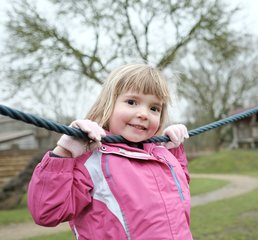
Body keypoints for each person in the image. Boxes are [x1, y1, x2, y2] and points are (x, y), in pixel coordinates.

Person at [27, 63, 192, 240]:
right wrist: (64, 153)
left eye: (154, 108)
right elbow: (47, 212)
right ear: (108, 104)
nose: (144, 114)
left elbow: (180, 187)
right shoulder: (93, 158)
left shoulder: (162, 154)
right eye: (131, 102)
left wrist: (173, 150)